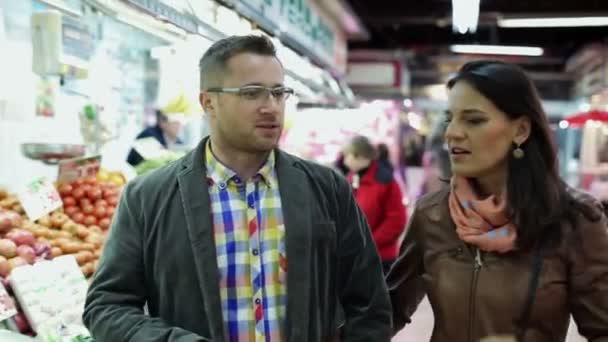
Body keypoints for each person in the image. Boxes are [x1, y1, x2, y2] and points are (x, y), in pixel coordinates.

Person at [83, 35, 391, 342]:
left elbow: (369, 302)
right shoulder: (148, 198)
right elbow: (107, 306)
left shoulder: (325, 189)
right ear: (209, 103)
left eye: (278, 92)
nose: (271, 107)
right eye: (252, 93)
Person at [387, 60, 608, 341]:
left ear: (521, 131)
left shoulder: (574, 219)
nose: (452, 132)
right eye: (450, 118)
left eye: (474, 120)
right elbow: (388, 311)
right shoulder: (433, 214)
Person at [342, 136, 407, 274]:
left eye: (348, 155)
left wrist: (370, 243)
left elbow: (396, 220)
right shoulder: (351, 178)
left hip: (380, 258)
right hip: (355, 256)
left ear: (361, 157)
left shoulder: (385, 182)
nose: (345, 160)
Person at [126, 94, 192, 166]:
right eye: (176, 122)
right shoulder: (148, 136)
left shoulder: (178, 142)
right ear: (162, 121)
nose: (181, 125)